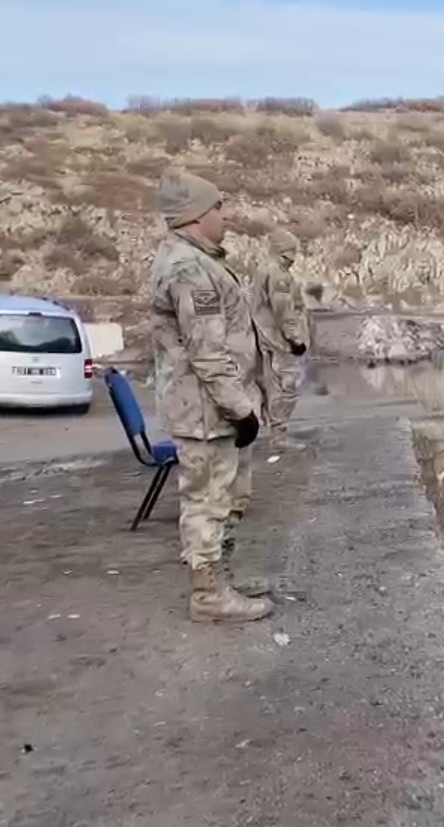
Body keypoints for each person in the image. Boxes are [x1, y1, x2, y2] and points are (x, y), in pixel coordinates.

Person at [149, 170, 272, 624]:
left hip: (216, 408)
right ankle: (208, 595)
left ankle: (223, 579)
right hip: (206, 411)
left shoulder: (201, 260)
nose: (225, 215)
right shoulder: (189, 269)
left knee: (230, 496)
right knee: (207, 501)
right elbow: (207, 351)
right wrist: (239, 409)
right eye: (218, 207)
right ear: (196, 215)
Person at [252, 228, 311, 451]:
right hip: (278, 340)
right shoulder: (278, 274)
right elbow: (283, 310)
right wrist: (295, 338)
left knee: (271, 386)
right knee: (285, 388)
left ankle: (274, 432)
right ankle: (279, 436)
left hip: (266, 336)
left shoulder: (263, 269)